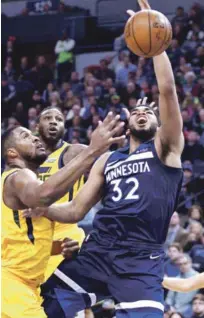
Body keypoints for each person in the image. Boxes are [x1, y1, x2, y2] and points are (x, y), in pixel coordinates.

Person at [24, 1, 185, 317]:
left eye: (147, 112)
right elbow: (75, 210)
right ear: (128, 121)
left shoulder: (167, 149)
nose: (141, 112)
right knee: (42, 307)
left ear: (157, 124)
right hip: (99, 253)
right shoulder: (107, 160)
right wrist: (45, 209)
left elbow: (166, 91)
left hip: (141, 259)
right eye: (136, 110)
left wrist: (155, 44)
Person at [1, 113, 124, 318]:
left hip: (26, 286)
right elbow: (43, 197)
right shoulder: (18, 177)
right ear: (12, 153)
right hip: (13, 285)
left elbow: (18, 241)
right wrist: (93, 150)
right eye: (25, 136)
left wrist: (58, 248)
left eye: (33, 135)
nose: (34, 138)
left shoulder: (21, 183)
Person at [37, 106, 88, 279]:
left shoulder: (75, 152)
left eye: (58, 119)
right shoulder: (27, 159)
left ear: (64, 128)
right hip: (34, 236)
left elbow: (109, 165)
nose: (53, 121)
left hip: (65, 234)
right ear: (37, 126)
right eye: (47, 118)